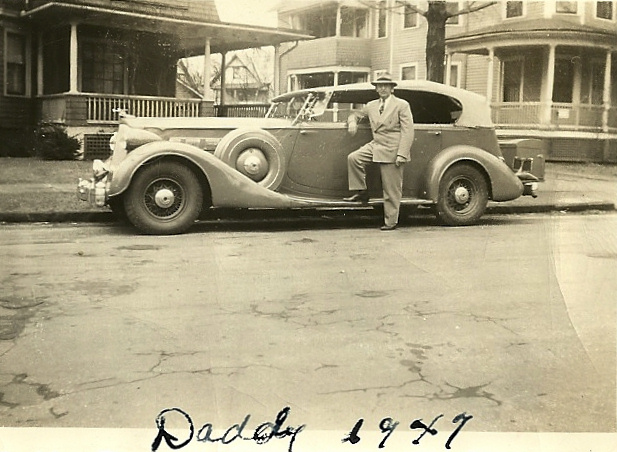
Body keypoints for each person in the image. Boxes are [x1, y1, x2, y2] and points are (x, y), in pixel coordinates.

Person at [344, 73, 415, 230]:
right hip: (376, 144)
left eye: (386, 86)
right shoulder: (371, 105)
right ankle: (361, 192)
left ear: (392, 88)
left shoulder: (402, 105)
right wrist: (352, 122)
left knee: (391, 189)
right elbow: (355, 114)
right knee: (354, 158)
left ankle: (391, 222)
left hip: (393, 148)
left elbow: (408, 131)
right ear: (376, 89)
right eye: (379, 86)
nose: (382, 88)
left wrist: (402, 154)